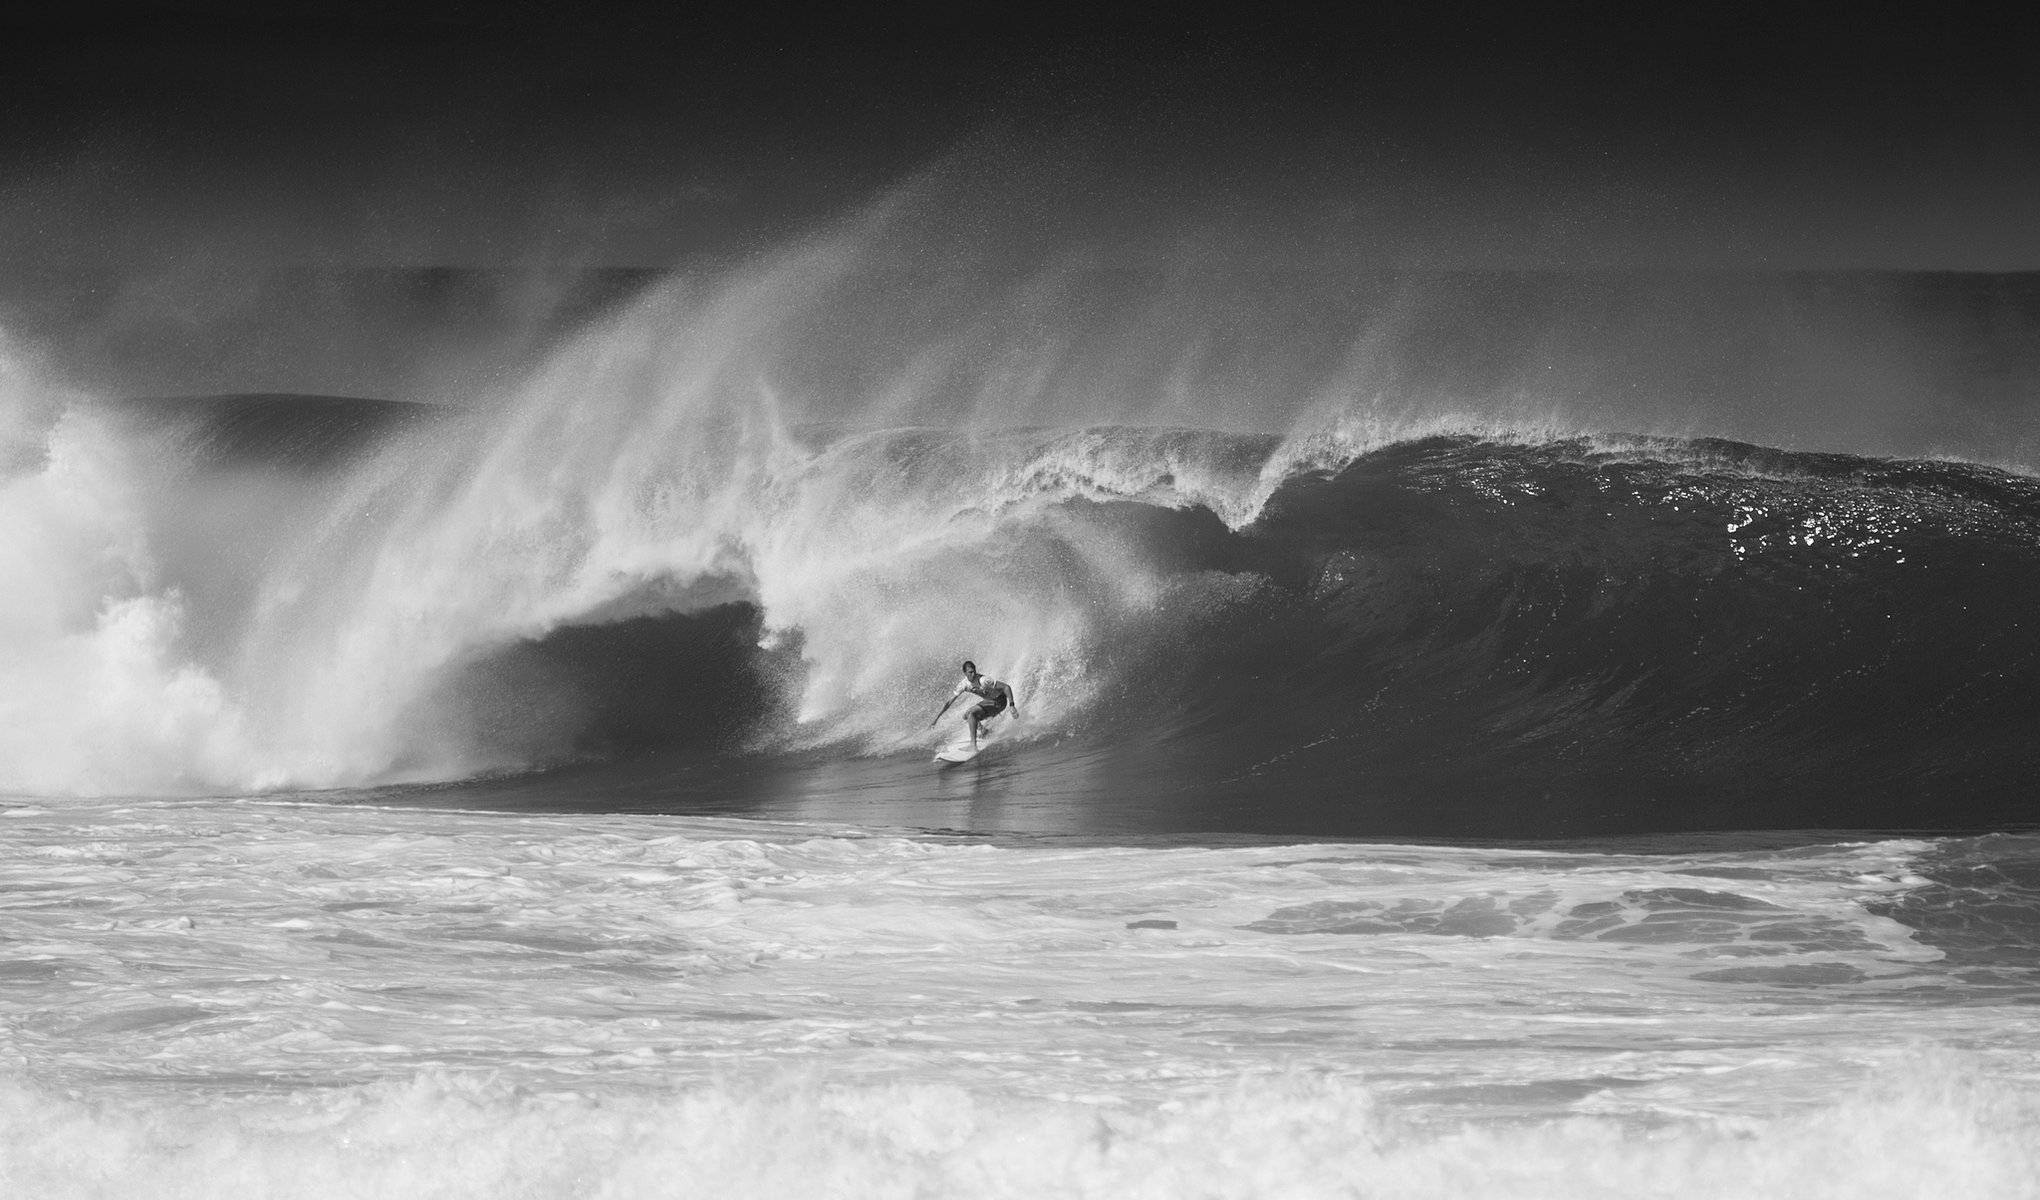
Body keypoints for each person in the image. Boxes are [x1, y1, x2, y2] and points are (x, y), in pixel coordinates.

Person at [929, 660, 1021, 747]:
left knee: (971, 713)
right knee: (965, 716)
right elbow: (949, 702)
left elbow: (1006, 687)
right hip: (990, 703)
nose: (973, 674)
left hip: (1000, 701)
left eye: (974, 671)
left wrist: (1012, 706)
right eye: (970, 672)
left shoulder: (983, 680)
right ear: (964, 673)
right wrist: (936, 719)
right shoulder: (963, 684)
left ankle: (973, 745)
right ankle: (985, 731)